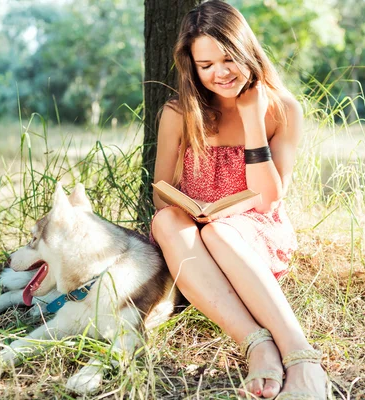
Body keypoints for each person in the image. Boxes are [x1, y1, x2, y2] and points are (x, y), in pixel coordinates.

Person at [150, 1, 327, 398]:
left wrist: (252, 120)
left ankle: (301, 357)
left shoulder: (283, 110)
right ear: (192, 67)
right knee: (165, 223)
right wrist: (188, 213)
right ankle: (258, 345)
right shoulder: (179, 112)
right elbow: (161, 190)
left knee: (223, 233)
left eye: (228, 58)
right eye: (205, 65)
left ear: (247, 50)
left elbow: (267, 198)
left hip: (251, 229)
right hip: (194, 233)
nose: (219, 73)